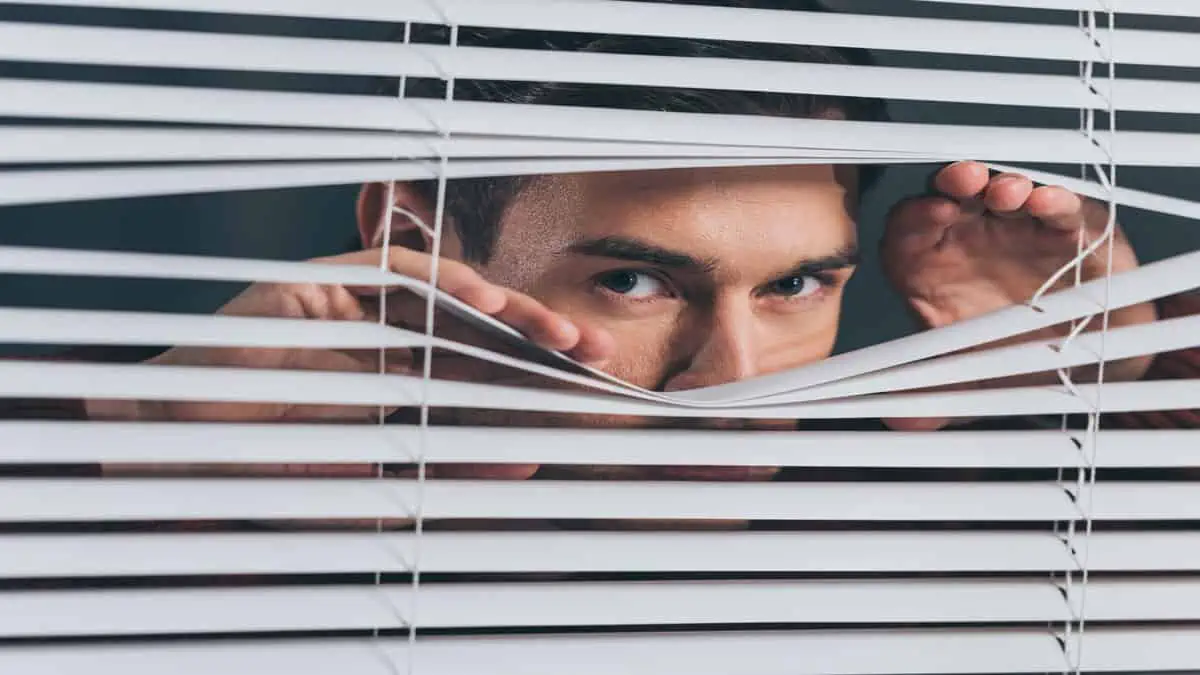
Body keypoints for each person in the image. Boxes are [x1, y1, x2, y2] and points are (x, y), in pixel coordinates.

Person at [3, 24, 1195, 490]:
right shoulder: (176, 514)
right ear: (409, 240)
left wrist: (1135, 374)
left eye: (796, 287)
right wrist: (131, 435)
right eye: (632, 280)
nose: (734, 388)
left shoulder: (912, 545)